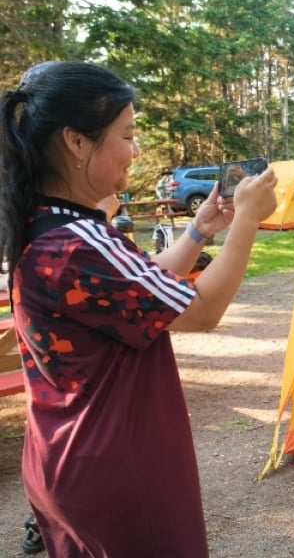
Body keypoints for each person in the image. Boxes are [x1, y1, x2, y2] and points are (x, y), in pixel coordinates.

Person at [0, 61, 278, 557]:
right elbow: (201, 310)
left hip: (66, 458)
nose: (136, 149)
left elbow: (142, 289)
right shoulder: (79, 243)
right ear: (76, 142)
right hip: (117, 471)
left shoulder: (48, 227)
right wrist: (248, 221)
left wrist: (200, 231)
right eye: (127, 134)